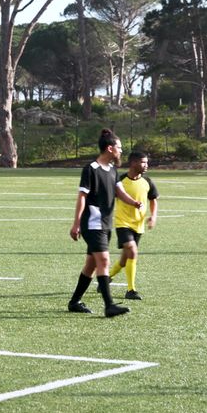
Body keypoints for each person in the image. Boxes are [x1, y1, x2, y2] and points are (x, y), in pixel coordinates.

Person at [68, 129, 143, 317]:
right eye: (119, 148)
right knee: (104, 260)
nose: (121, 152)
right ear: (110, 148)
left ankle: (74, 302)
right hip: (92, 224)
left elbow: (119, 192)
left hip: (106, 223)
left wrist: (133, 202)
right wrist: (76, 223)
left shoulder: (112, 170)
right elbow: (82, 196)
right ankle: (109, 305)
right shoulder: (90, 169)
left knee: (91, 265)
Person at [108, 151, 159, 300]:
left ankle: (106, 278)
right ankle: (131, 290)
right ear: (133, 163)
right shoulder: (120, 180)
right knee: (132, 250)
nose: (146, 165)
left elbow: (153, 199)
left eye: (147, 162)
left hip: (139, 224)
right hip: (122, 223)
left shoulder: (147, 182)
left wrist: (153, 216)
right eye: (143, 162)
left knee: (125, 260)